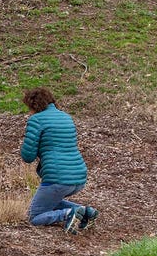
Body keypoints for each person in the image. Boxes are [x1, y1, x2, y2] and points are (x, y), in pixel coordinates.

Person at [20, 88, 98, 234]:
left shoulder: (36, 120)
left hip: (57, 178)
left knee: (34, 216)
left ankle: (69, 214)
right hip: (79, 177)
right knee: (50, 202)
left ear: (33, 105)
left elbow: (27, 156)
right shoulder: (66, 117)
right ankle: (85, 212)